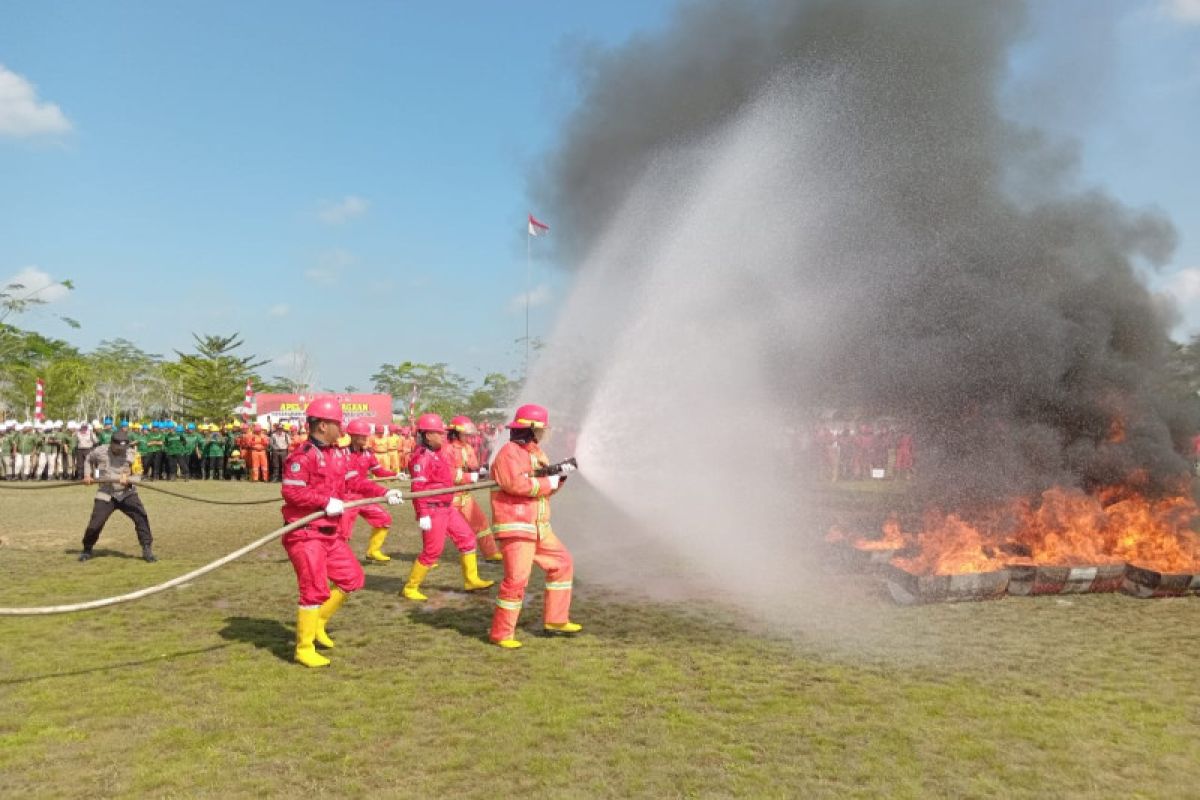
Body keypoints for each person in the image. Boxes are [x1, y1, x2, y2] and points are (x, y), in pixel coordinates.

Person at [281, 397, 404, 668]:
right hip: (306, 533)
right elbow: (292, 491)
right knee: (314, 590)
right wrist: (324, 502)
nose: (342, 428)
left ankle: (319, 622)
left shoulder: (338, 453)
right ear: (323, 425)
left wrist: (385, 492)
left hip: (330, 534)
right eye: (338, 423)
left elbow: (355, 481)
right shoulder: (302, 456)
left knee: (353, 578)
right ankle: (304, 647)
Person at [489, 403, 580, 649]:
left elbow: (543, 489)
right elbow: (516, 485)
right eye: (541, 430)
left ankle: (556, 620)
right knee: (516, 580)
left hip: (538, 525)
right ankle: (501, 633)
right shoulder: (509, 452)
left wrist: (559, 476)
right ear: (530, 429)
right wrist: (548, 481)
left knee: (562, 563)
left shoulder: (537, 454)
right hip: (517, 525)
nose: (544, 434)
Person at [401, 413, 494, 601]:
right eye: (438, 433)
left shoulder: (437, 453)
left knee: (467, 538)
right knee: (432, 551)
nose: (443, 436)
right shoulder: (421, 458)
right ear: (428, 435)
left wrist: (475, 475)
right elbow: (417, 488)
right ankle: (411, 587)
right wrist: (423, 514)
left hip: (447, 506)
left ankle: (471, 579)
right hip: (433, 509)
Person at [79, 430, 157, 562]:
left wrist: (129, 479)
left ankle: (146, 548)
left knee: (141, 518)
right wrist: (88, 475)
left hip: (127, 493)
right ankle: (87, 548)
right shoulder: (100, 451)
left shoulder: (133, 454)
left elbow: (138, 475)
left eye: (124, 447)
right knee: (95, 524)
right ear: (111, 444)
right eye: (118, 447)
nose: (121, 450)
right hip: (106, 492)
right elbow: (88, 460)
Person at [445, 415, 502, 561]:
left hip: (465, 495)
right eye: (465, 434)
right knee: (440, 530)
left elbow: (472, 466)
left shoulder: (468, 448)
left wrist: (480, 471)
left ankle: (491, 552)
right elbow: (449, 475)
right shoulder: (447, 450)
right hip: (449, 498)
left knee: (481, 523)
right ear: (455, 432)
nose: (469, 437)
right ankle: (429, 558)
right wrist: (471, 477)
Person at [343, 418, 398, 562]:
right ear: (353, 436)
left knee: (384, 519)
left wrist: (396, 475)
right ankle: (341, 560)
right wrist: (383, 492)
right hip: (346, 497)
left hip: (363, 495)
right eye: (362, 436)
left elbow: (378, 471)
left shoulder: (367, 453)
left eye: (366, 436)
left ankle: (373, 551)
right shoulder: (343, 454)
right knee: (343, 533)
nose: (365, 439)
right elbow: (354, 482)